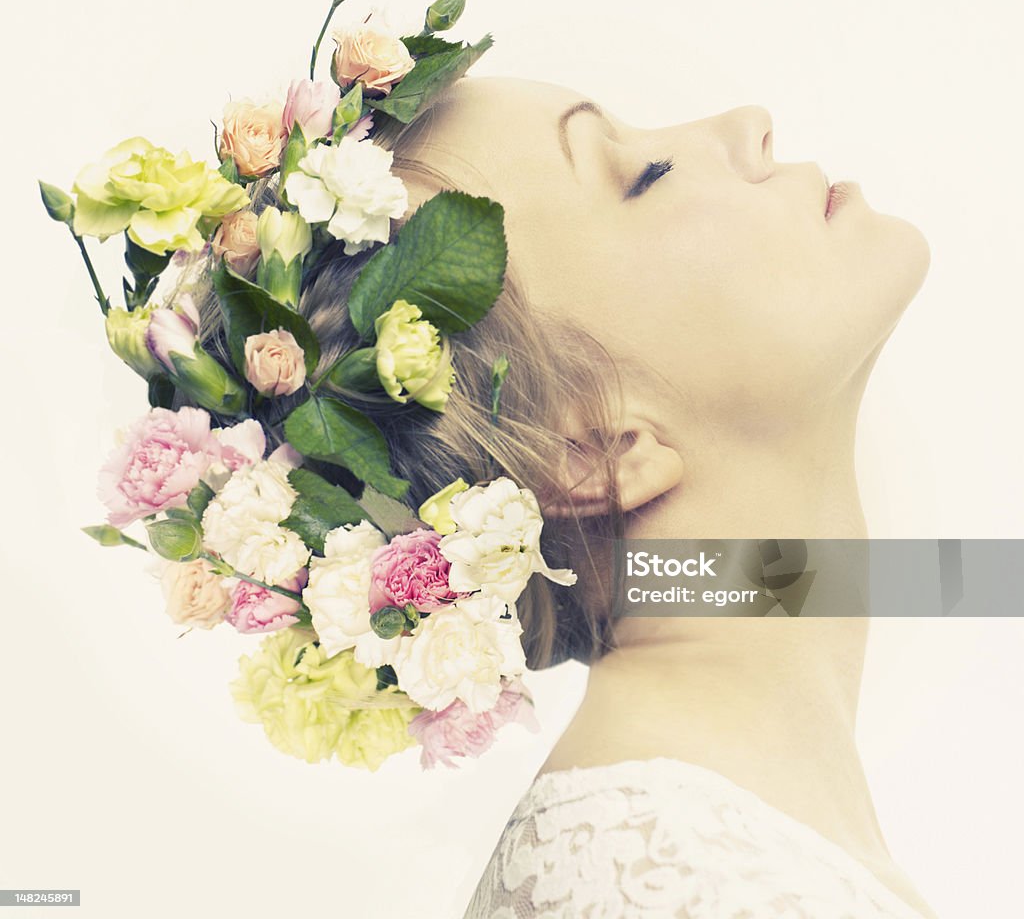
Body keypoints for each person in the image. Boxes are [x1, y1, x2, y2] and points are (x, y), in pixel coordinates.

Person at [200, 74, 936, 917]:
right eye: (647, 174)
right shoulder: (656, 879)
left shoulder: (689, 854)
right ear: (588, 452)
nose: (746, 122)